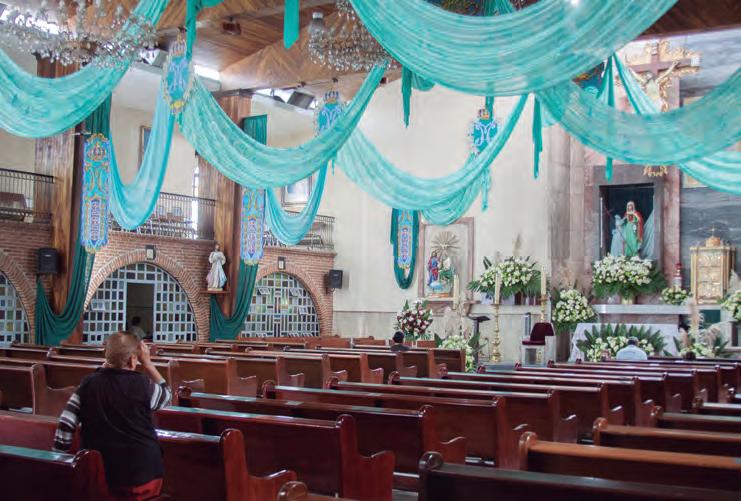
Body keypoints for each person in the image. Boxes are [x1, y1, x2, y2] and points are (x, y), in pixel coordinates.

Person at [54, 332, 171, 500]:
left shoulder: (88, 383)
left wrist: (60, 458)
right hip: (140, 473)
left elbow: (66, 423)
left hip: (99, 474)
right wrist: (148, 364)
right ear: (133, 359)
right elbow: (167, 397)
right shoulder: (144, 385)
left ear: (106, 356)